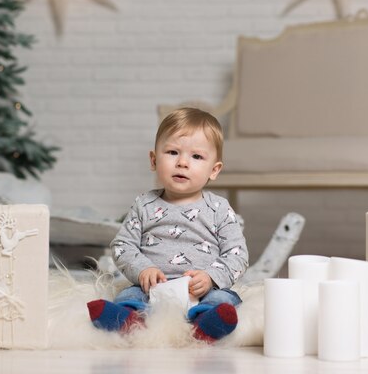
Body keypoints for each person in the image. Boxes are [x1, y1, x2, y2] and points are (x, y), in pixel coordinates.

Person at [87, 107, 249, 343]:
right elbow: (123, 246)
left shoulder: (219, 209)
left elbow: (237, 254)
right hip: (151, 289)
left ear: (214, 170)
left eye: (196, 157)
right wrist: (143, 269)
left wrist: (211, 277)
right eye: (173, 152)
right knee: (128, 295)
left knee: (224, 299)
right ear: (154, 160)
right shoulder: (144, 205)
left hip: (202, 291)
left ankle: (205, 323)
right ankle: (129, 319)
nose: (182, 162)